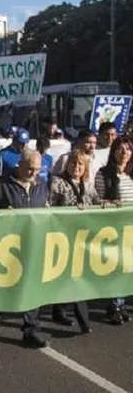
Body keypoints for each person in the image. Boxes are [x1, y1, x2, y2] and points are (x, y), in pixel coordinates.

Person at [0, 148, 50, 348]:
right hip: (8, 244)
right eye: (30, 168)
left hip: (34, 242)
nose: (33, 173)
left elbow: (49, 210)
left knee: (32, 285)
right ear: (19, 165)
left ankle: (31, 329)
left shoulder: (42, 186)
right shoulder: (2, 184)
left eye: (37, 170)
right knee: (4, 282)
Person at [49, 149, 100, 334]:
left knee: (77, 278)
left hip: (82, 239)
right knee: (67, 277)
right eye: (73, 163)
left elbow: (97, 203)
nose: (76, 167)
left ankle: (70, 314)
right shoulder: (58, 183)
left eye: (80, 164)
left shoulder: (87, 185)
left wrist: (108, 204)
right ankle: (69, 314)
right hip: (63, 236)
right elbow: (50, 207)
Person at [93, 135, 133, 325]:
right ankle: (114, 305)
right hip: (113, 228)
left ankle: (121, 303)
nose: (124, 153)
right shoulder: (104, 174)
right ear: (113, 152)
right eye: (120, 149)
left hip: (130, 228)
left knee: (128, 268)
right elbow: (97, 200)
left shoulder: (130, 174)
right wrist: (109, 203)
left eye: (128, 149)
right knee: (117, 266)